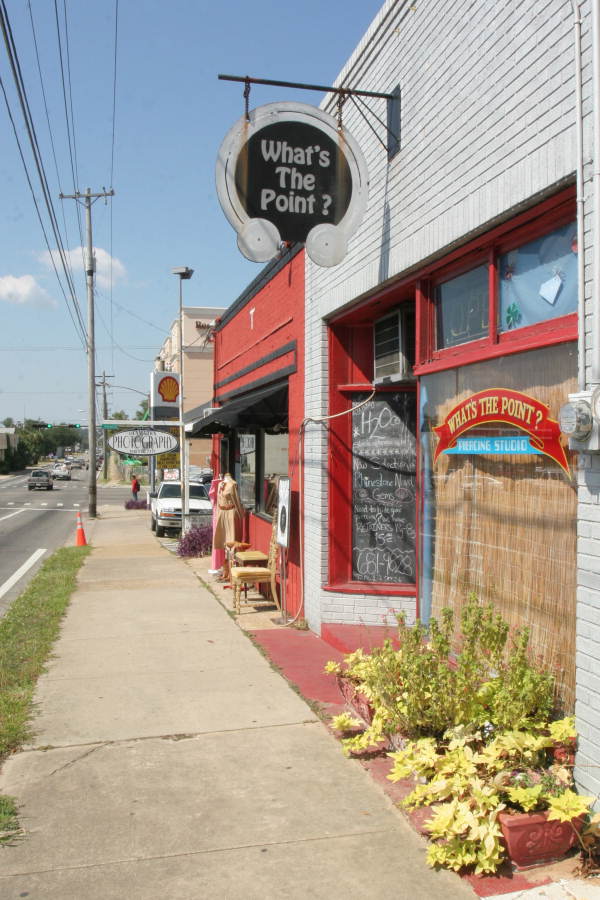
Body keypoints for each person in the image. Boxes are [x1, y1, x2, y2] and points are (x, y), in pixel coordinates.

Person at [212, 473, 244, 580]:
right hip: (222, 512)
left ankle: (231, 572)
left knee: (231, 541)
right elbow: (218, 500)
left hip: (230, 513)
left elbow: (236, 501)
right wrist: (217, 515)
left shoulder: (233, 485)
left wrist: (240, 514)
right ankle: (226, 570)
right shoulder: (221, 484)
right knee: (224, 542)